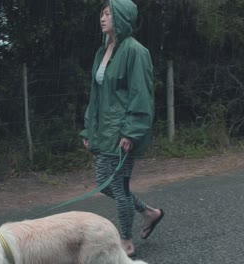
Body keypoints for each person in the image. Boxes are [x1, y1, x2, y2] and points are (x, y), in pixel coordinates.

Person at [80, 0, 164, 257]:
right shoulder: (103, 50)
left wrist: (132, 131)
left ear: (122, 18)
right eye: (102, 13)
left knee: (119, 186)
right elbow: (96, 95)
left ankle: (126, 242)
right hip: (104, 130)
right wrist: (88, 129)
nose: (103, 18)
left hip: (123, 133)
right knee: (104, 184)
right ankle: (149, 212)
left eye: (109, 13)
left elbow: (141, 94)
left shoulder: (135, 51)